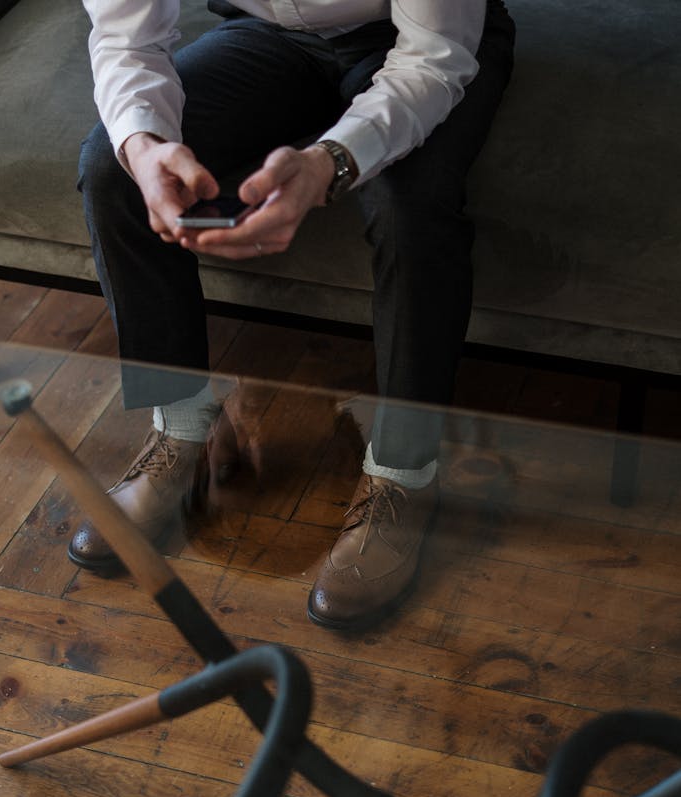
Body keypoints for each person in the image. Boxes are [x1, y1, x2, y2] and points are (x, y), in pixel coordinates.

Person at [71, 0, 515, 629]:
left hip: (421, 40)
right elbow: (126, 38)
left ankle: (404, 475)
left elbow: (433, 58)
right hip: (270, 38)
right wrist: (144, 147)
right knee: (108, 167)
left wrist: (329, 163)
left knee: (406, 206)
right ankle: (181, 432)